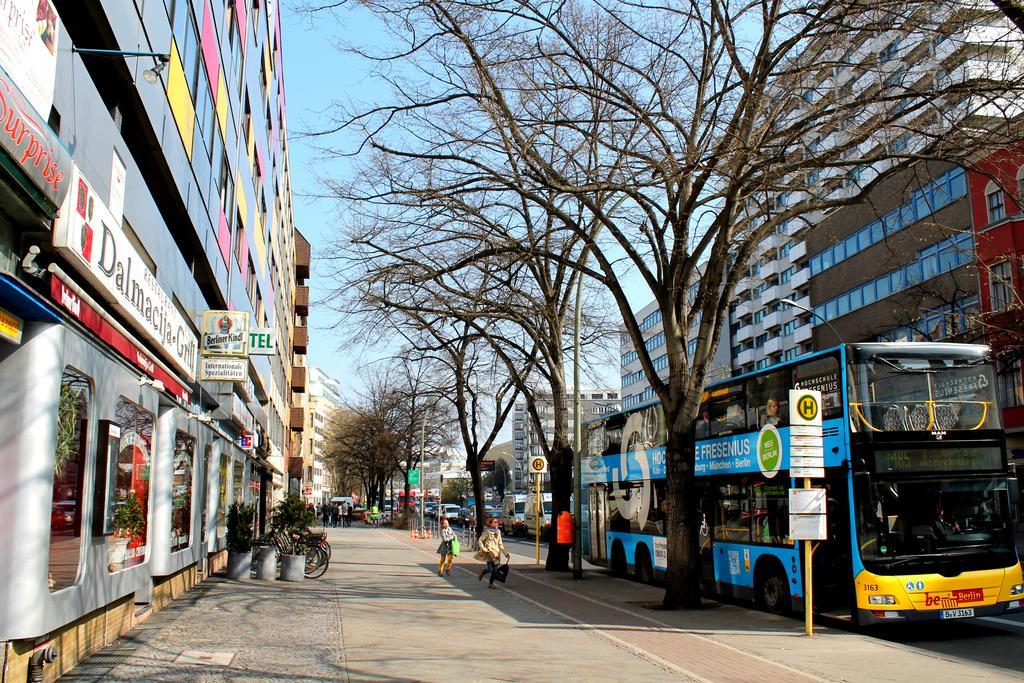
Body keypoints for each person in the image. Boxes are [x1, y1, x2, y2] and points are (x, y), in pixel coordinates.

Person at [475, 516, 509, 589]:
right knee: (490, 569)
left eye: (497, 522)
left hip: (496, 553)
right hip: (489, 553)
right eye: (495, 522)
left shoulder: (498, 532)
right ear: (490, 524)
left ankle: (491, 583)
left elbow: (500, 544)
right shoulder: (487, 532)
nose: (496, 523)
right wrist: (483, 548)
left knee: (495, 570)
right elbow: (480, 540)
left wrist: (505, 553)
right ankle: (483, 571)